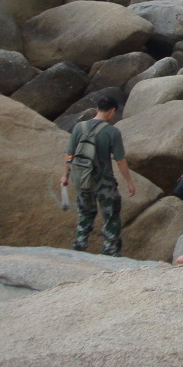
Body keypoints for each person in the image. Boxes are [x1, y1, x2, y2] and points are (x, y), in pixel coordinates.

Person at [61, 96, 135, 257]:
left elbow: (69, 155)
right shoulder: (112, 132)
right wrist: (129, 181)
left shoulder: (79, 128)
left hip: (82, 180)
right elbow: (120, 159)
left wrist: (65, 175)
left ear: (97, 109)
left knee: (85, 215)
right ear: (112, 111)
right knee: (111, 218)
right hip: (104, 183)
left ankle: (79, 247)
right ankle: (110, 253)